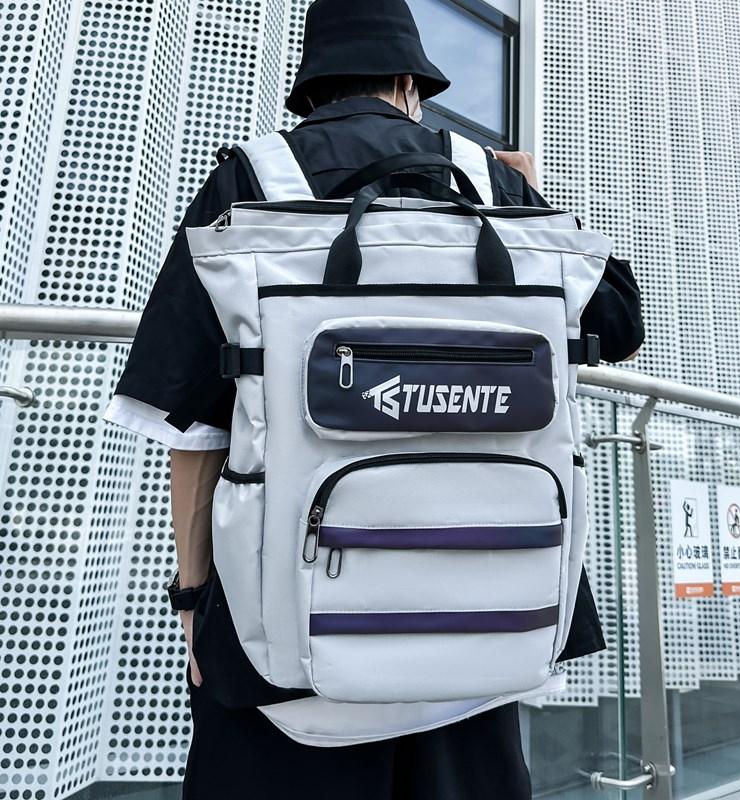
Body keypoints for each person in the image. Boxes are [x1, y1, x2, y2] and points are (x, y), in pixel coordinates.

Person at [102, 0, 645, 796]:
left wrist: (193, 597)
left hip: (290, 646)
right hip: (485, 637)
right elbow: (619, 326)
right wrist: (531, 196)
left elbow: (194, 429)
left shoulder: (252, 181)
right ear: (410, 84)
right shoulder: (487, 182)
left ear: (312, 89)